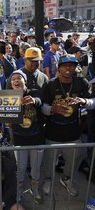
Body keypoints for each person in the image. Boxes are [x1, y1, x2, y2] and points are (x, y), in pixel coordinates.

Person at [41, 54, 91, 197]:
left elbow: (93, 102)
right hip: (53, 133)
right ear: (59, 68)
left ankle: (66, 179)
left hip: (73, 133)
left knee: (74, 160)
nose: (68, 68)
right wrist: (52, 109)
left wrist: (84, 101)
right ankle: (48, 180)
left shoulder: (82, 82)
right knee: (49, 161)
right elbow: (43, 106)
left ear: (75, 67)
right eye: (64, 65)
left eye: (71, 65)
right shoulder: (50, 84)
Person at [9, 70, 44, 204]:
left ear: (25, 81)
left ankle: (34, 189)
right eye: (13, 79)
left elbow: (39, 100)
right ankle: (18, 190)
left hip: (36, 138)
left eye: (19, 78)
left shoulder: (33, 92)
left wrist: (34, 100)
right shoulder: (8, 96)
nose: (16, 81)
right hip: (19, 139)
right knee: (21, 167)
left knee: (36, 167)